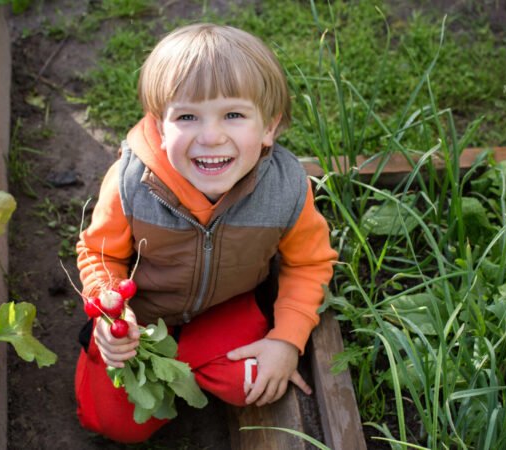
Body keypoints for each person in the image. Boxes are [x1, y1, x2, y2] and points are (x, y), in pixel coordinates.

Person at [74, 22, 337, 443]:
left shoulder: (286, 189)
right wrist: (112, 313)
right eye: (188, 117)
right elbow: (99, 254)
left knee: (256, 384)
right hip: (144, 317)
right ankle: (148, 365)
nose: (211, 137)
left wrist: (287, 341)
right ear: (160, 127)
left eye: (233, 115)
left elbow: (309, 262)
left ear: (269, 126)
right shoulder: (130, 184)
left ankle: (191, 370)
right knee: (114, 425)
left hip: (224, 310)